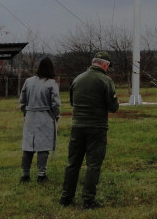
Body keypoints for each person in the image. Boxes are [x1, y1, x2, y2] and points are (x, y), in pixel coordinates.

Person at [60, 52, 119, 209]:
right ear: (105, 65)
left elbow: (73, 102)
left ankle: (66, 197)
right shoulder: (106, 81)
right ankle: (88, 200)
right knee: (93, 164)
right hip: (97, 127)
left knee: (73, 163)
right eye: (108, 67)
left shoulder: (77, 79)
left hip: (77, 126)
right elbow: (113, 108)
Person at [19, 56, 60, 183]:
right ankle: (41, 175)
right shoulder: (51, 84)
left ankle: (25, 175)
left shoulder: (28, 81)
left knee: (28, 147)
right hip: (45, 117)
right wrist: (55, 116)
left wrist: (27, 112)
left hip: (30, 117)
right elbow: (56, 104)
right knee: (43, 147)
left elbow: (22, 101)